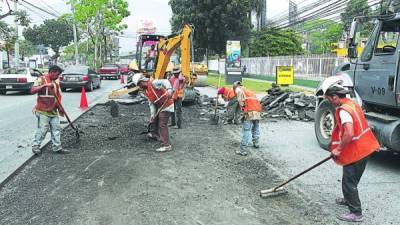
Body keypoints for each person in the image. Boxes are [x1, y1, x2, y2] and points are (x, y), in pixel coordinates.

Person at [324, 84, 380, 222]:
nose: (329, 102)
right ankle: (348, 199)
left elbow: (349, 133)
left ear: (335, 97)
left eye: (329, 99)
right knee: (352, 178)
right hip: (366, 147)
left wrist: (338, 149)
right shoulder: (352, 104)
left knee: (349, 181)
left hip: (358, 151)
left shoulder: (344, 111)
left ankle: (356, 213)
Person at [30, 65, 69, 155]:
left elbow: (57, 98)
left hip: (53, 111)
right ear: (52, 72)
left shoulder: (55, 83)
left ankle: (57, 147)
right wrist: (44, 86)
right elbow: (32, 90)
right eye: (57, 74)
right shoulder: (41, 79)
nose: (58, 76)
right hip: (42, 110)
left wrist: (60, 109)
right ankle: (35, 146)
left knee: (56, 129)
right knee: (43, 129)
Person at [132, 73, 174, 152]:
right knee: (155, 120)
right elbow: (151, 104)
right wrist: (152, 115)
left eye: (139, 84)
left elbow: (165, 81)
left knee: (162, 124)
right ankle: (156, 135)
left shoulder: (153, 83)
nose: (139, 87)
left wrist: (169, 90)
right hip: (159, 106)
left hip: (167, 104)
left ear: (142, 81)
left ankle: (166, 145)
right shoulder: (146, 91)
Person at [233, 81, 262, 156]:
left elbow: (240, 102)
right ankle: (256, 143)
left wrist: (242, 110)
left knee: (246, 130)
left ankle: (243, 150)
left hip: (250, 111)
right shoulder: (249, 91)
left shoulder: (238, 89)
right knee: (255, 127)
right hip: (258, 110)